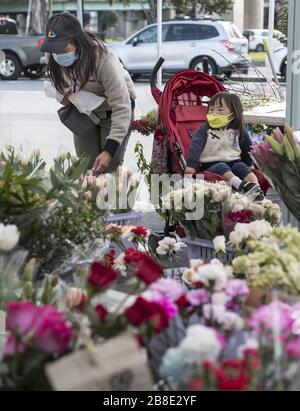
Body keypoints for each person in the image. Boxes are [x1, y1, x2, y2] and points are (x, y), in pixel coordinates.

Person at [40, 12, 136, 173]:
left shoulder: (102, 59)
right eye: (54, 49)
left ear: (77, 41)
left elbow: (122, 105)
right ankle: (89, 198)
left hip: (113, 112)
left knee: (109, 171)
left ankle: (113, 196)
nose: (58, 55)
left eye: (63, 49)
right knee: (86, 169)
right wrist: (67, 93)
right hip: (84, 113)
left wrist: (109, 150)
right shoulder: (52, 54)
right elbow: (62, 95)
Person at [185, 92, 264, 201]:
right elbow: (195, 147)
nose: (214, 113)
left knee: (244, 168)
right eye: (211, 109)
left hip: (234, 161)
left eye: (220, 110)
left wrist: (249, 164)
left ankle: (256, 190)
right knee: (222, 167)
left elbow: (246, 148)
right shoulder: (205, 129)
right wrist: (191, 165)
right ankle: (241, 186)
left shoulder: (237, 130)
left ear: (233, 113)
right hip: (211, 164)